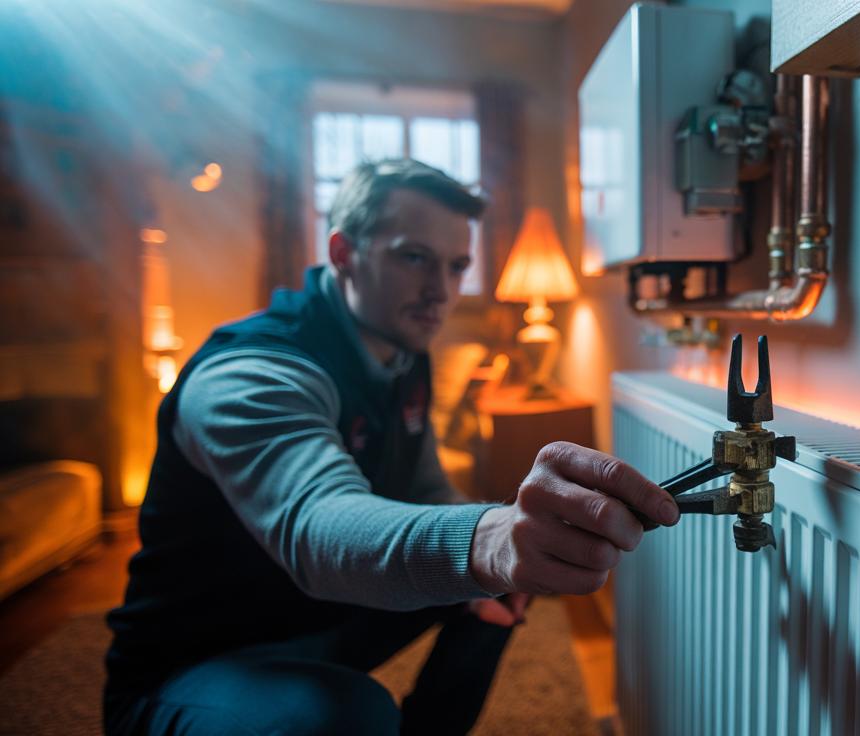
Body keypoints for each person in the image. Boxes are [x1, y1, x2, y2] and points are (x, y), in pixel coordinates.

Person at [103, 159, 679, 735]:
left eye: (457, 267)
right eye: (414, 258)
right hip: (198, 662)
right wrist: (488, 539)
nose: (442, 292)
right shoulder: (252, 373)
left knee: (494, 590)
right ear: (344, 253)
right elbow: (316, 525)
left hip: (318, 620)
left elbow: (425, 487)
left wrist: (502, 548)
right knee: (345, 716)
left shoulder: (402, 351)